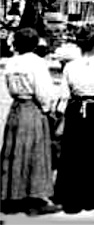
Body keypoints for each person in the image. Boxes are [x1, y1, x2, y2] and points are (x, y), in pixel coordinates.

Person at [54, 24, 94, 213]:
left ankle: (72, 197)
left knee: (74, 151)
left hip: (76, 110)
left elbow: (64, 94)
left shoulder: (70, 67)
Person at [0, 28, 61, 215]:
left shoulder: (11, 62)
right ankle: (35, 200)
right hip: (32, 108)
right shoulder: (37, 63)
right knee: (36, 153)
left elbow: (10, 88)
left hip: (17, 108)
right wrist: (47, 109)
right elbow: (43, 91)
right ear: (35, 44)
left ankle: (11, 195)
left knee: (14, 152)